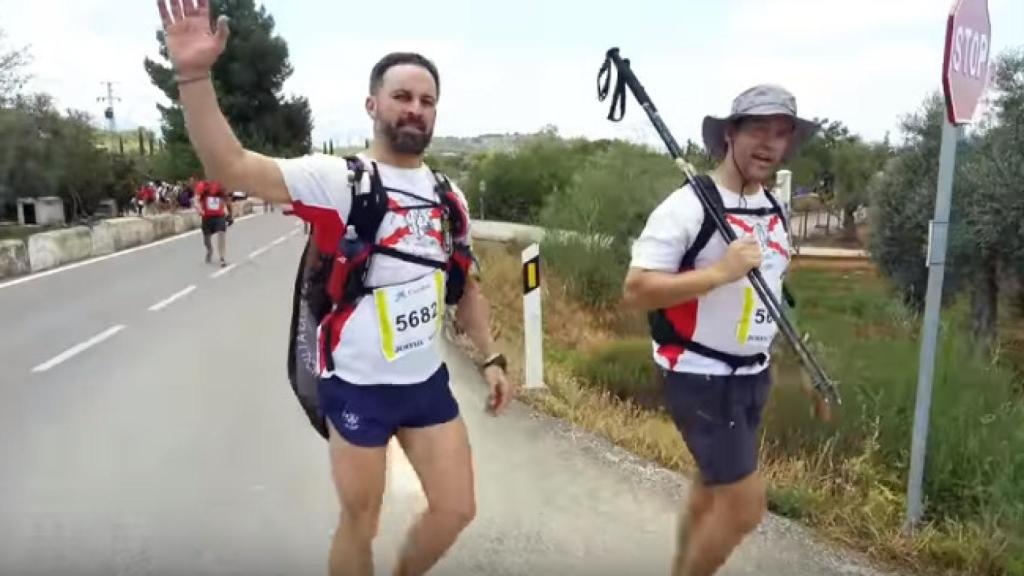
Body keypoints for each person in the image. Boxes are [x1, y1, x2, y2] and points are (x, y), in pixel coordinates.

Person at [156, 3, 516, 576]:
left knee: (455, 509)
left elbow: (464, 284)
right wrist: (193, 77)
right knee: (361, 523)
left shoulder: (450, 195)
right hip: (356, 384)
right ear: (373, 105)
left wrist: (491, 355)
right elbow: (232, 164)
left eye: (426, 101)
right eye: (401, 96)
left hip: (425, 381)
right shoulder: (339, 180)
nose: (415, 110)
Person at [622, 85, 818, 576]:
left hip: (754, 374)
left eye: (780, 134)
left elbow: (772, 291)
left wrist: (803, 361)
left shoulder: (773, 208)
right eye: (757, 129)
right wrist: (717, 274)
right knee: (744, 507)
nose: (768, 144)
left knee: (710, 491)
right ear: (730, 133)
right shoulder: (688, 206)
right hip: (698, 373)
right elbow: (637, 290)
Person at [195, 178, 230, 267]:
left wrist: (227, 213)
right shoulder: (202, 185)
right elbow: (196, 199)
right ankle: (209, 250)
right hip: (207, 216)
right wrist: (199, 210)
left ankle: (222, 258)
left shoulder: (220, 185)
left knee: (221, 234)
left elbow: (223, 201)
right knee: (207, 240)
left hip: (219, 216)